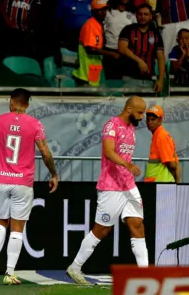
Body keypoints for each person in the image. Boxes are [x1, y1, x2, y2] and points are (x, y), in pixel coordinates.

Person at [0, 88, 58, 285]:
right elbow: (45, 152)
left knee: (0, 223)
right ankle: (9, 273)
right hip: (23, 183)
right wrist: (53, 174)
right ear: (27, 104)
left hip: (1, 181)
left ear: (11, 102)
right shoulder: (35, 124)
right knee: (17, 230)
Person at [67, 96, 148, 285]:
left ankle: (146, 275)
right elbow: (108, 151)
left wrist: (127, 170)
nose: (142, 117)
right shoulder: (112, 125)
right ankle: (75, 267)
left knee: (138, 226)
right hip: (111, 187)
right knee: (101, 230)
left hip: (128, 186)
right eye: (140, 112)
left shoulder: (131, 128)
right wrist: (128, 165)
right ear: (128, 109)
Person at [118, 3, 165, 93]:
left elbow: (161, 57)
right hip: (130, 79)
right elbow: (122, 48)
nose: (142, 17)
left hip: (150, 80)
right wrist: (140, 61)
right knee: (131, 106)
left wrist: (161, 80)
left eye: (146, 14)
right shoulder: (128, 29)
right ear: (136, 15)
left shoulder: (155, 33)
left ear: (151, 16)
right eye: (140, 14)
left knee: (148, 107)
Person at [72, 0, 118, 87]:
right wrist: (111, 54)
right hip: (85, 75)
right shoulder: (90, 25)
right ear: (93, 12)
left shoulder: (99, 25)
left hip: (93, 73)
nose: (103, 12)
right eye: (100, 10)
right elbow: (90, 49)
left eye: (104, 10)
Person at [145, 105, 181, 183]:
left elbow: (171, 164)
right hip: (160, 183)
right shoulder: (159, 135)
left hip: (161, 184)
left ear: (160, 120)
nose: (149, 122)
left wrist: (176, 183)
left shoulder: (161, 136)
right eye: (148, 120)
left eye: (153, 119)